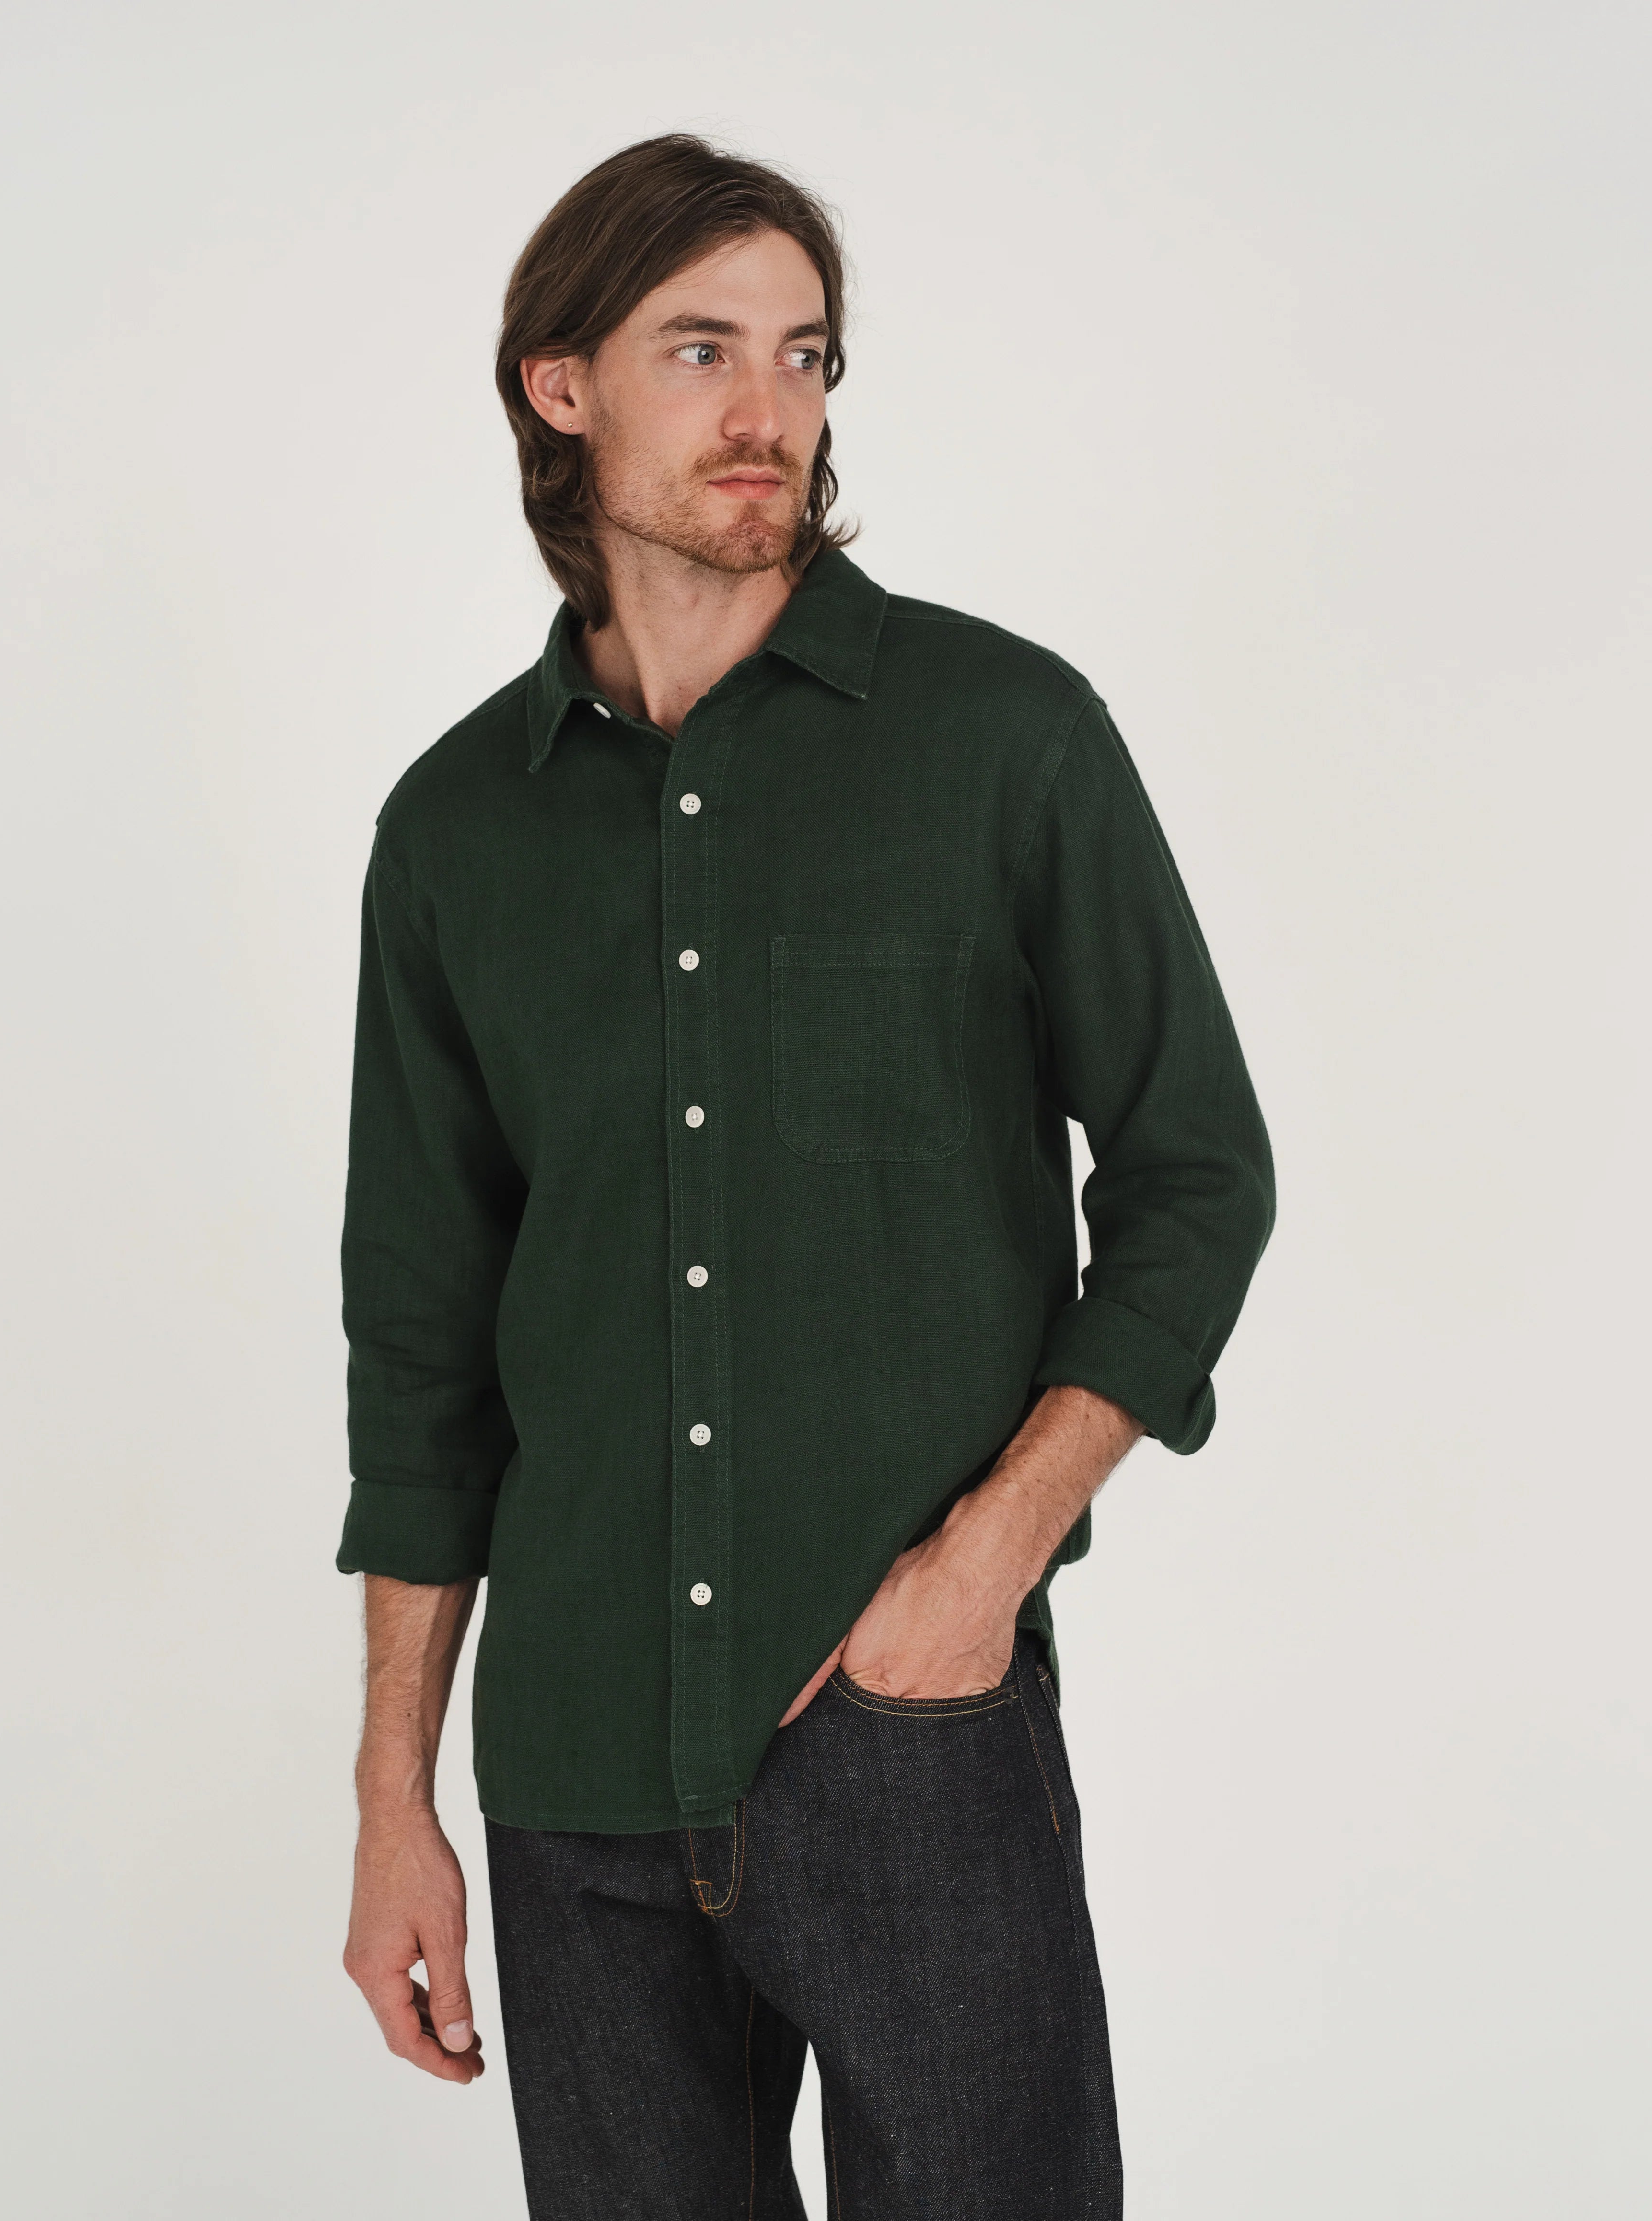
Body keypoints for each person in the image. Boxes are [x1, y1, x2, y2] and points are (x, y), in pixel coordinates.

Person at [336, 133, 1275, 2220]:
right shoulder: (454, 831)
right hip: (573, 1770)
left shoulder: (1004, 738)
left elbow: (1199, 1175)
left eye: (804, 354)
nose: (768, 407)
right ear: (559, 385)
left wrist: (980, 1572)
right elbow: (420, 1346)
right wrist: (396, 1792)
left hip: (904, 1731)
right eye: (702, 350)